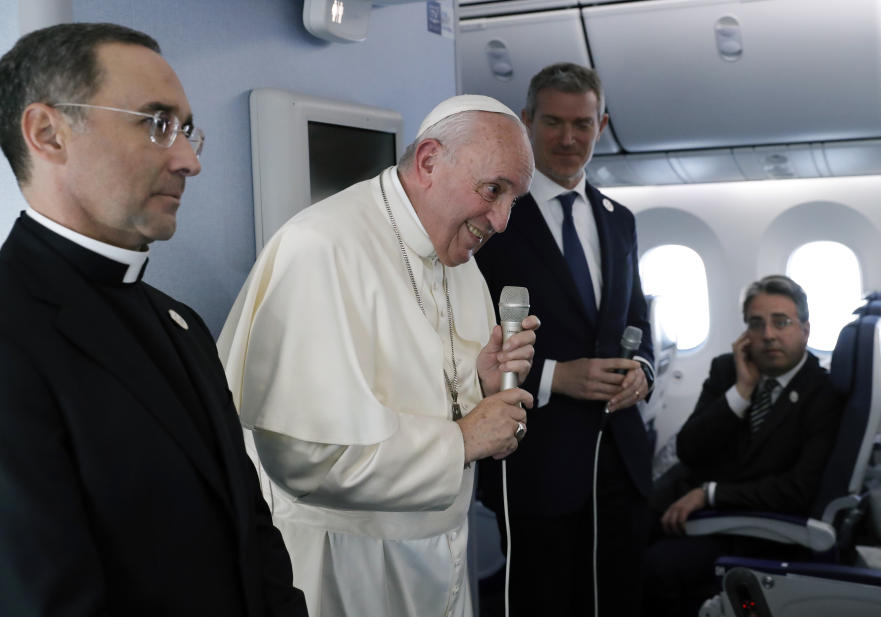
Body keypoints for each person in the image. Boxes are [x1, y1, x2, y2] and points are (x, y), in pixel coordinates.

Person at [0, 23, 306, 616]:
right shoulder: (11, 331)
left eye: (187, 130)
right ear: (47, 133)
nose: (189, 160)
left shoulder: (179, 323)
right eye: (156, 123)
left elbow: (252, 534)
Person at [217, 94, 539, 617]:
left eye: (514, 199)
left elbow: (432, 395)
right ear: (430, 160)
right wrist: (461, 440)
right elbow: (305, 456)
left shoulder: (461, 260)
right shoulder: (321, 247)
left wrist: (479, 387)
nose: (503, 220)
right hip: (344, 562)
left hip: (437, 555)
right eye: (493, 189)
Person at [474, 62, 655, 616]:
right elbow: (468, 332)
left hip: (618, 458)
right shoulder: (495, 215)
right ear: (527, 121)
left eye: (583, 123)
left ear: (602, 125)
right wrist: (556, 374)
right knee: (545, 599)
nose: (569, 138)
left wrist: (643, 369)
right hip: (538, 457)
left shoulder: (618, 219)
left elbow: (637, 317)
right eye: (553, 122)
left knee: (617, 596)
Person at [643, 274, 843, 616]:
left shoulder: (823, 394)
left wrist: (711, 494)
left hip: (751, 526)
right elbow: (689, 448)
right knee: (616, 537)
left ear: (805, 330)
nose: (768, 335)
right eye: (756, 323)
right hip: (688, 497)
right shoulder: (727, 370)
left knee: (654, 568)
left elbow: (796, 490)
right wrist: (741, 393)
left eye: (781, 322)